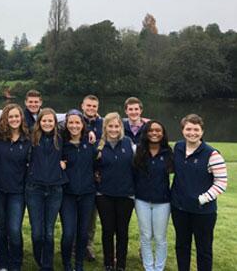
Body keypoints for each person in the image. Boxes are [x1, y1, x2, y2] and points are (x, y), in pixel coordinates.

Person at [171, 114, 227, 271]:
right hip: (179, 209)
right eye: (188, 129)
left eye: (196, 129)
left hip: (203, 212)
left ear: (202, 132)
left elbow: (221, 182)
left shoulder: (212, 154)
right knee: (182, 246)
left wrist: (202, 199)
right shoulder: (178, 147)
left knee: (204, 249)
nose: (192, 133)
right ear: (182, 130)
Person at [26, 108, 68, 271]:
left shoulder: (61, 138)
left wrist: (65, 162)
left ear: (55, 123)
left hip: (55, 189)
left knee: (49, 232)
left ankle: (47, 266)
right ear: (39, 122)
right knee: (37, 232)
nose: (47, 123)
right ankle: (39, 259)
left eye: (50, 120)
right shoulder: (31, 137)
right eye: (44, 120)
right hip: (34, 188)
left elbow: (78, 128)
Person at [95, 112, 136, 271]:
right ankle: (108, 263)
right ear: (105, 127)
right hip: (104, 194)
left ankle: (121, 264)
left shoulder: (128, 143)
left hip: (125, 194)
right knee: (107, 230)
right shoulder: (99, 145)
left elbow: (136, 167)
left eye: (116, 126)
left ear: (121, 127)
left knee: (122, 231)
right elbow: (94, 167)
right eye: (110, 126)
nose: (113, 129)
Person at [0, 104, 31, 271]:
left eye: (17, 116)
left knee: (14, 229)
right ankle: (2, 263)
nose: (14, 120)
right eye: (11, 117)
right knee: (0, 229)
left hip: (18, 191)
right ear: (5, 120)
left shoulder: (28, 138)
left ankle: (16, 263)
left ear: (21, 118)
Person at [60, 110, 97, 271]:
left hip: (87, 194)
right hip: (67, 194)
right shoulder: (61, 144)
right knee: (68, 233)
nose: (74, 126)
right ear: (66, 125)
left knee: (83, 233)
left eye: (77, 123)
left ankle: (79, 264)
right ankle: (67, 263)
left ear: (83, 125)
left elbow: (98, 162)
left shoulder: (90, 143)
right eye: (71, 123)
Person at [133, 120, 173, 271]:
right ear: (146, 133)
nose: (154, 133)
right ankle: (149, 267)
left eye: (158, 130)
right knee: (145, 235)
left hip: (162, 201)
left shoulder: (169, 153)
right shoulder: (138, 151)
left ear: (163, 134)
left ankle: (159, 267)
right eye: (151, 130)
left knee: (160, 238)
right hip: (141, 200)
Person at [80, 95, 102, 261]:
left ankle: (87, 246)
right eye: (88, 105)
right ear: (82, 106)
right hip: (78, 171)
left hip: (97, 174)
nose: (91, 108)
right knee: (74, 214)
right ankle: (73, 246)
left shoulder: (102, 123)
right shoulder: (74, 119)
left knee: (91, 216)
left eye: (94, 106)